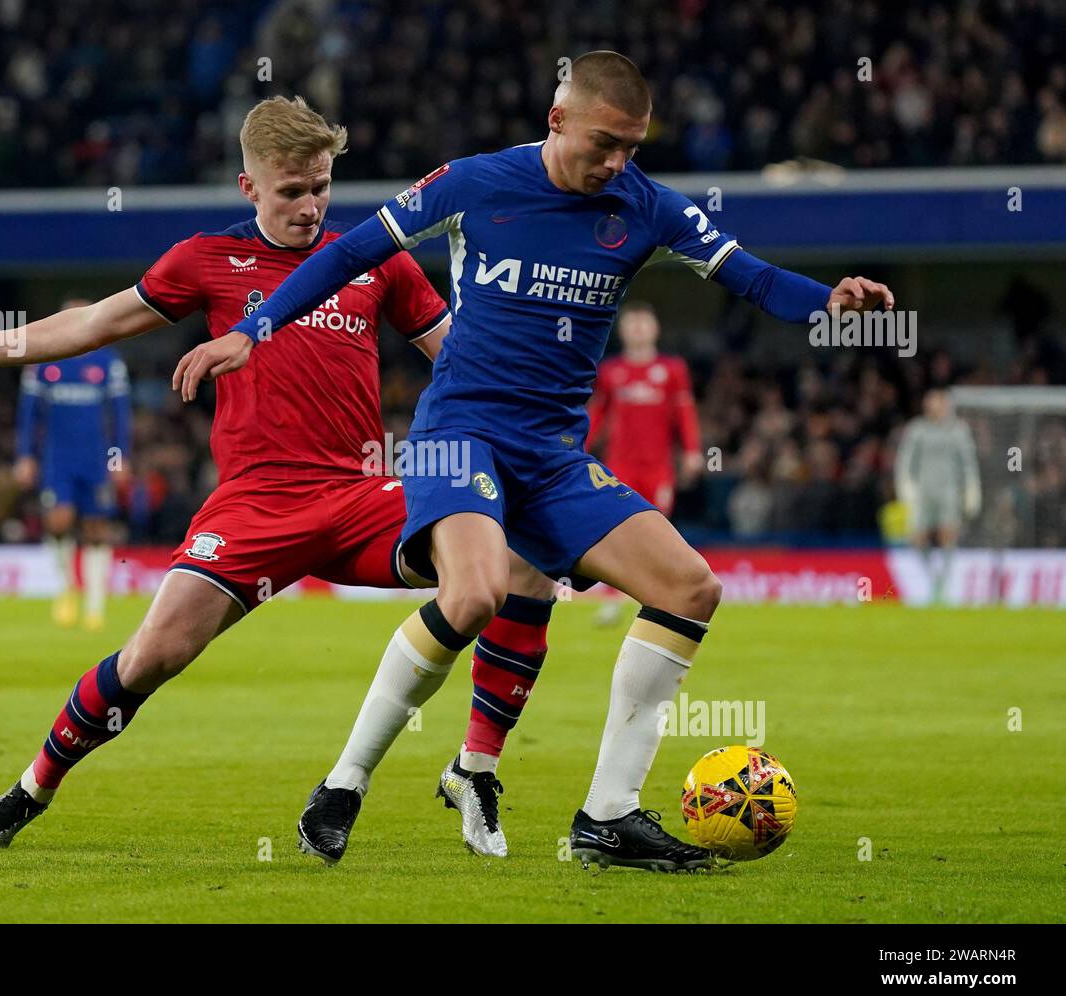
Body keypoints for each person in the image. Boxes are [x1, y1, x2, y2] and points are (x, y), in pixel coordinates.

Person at [180, 51, 895, 871]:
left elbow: (752, 278)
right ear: (557, 120)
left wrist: (826, 300)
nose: (618, 162)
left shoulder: (647, 207)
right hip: (461, 431)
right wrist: (253, 327)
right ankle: (344, 782)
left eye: (633, 145)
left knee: (691, 586)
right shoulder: (472, 183)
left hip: (552, 455)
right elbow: (350, 257)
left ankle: (607, 815)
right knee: (478, 590)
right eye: (605, 142)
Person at [0, 96, 555, 857]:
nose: (311, 206)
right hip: (255, 504)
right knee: (154, 655)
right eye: (291, 191)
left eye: (320, 187)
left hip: (362, 495)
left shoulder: (376, 259)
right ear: (250, 188)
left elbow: (460, 361)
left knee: (523, 563)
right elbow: (90, 325)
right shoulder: (206, 261)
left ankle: (471, 770)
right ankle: (28, 791)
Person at [14, 297, 132, 630]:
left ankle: (96, 605)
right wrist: (25, 456)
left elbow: (120, 417)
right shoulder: (43, 362)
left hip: (96, 460)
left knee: (97, 528)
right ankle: (67, 589)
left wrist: (119, 457)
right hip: (57, 459)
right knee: (58, 521)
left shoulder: (109, 362)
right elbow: (28, 416)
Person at [587, 301, 702, 626]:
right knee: (618, 536)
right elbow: (597, 414)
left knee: (657, 536)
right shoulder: (611, 371)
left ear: (655, 328)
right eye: (632, 323)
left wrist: (693, 451)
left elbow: (685, 412)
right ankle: (612, 601)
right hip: (619, 468)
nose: (638, 329)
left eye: (643, 323)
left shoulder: (672, 370)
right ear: (622, 330)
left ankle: (657, 597)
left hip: (658, 468)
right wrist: (576, 447)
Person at [894, 388, 981, 603]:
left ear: (946, 405)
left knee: (948, 535)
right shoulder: (917, 429)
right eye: (930, 403)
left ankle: (943, 583)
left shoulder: (959, 430)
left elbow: (968, 461)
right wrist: (905, 484)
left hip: (949, 491)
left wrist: (971, 486)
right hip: (923, 491)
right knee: (918, 537)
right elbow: (905, 460)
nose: (934, 408)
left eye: (938, 404)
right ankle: (934, 577)